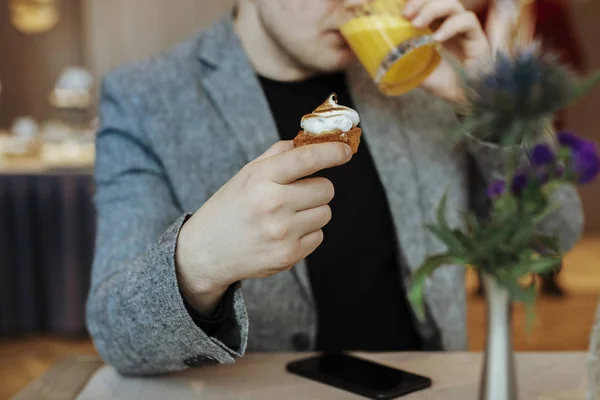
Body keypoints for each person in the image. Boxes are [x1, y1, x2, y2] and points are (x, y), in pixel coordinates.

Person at [86, 0, 583, 375]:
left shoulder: (422, 76)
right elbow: (116, 333)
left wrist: (494, 106)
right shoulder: (146, 98)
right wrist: (197, 262)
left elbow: (553, 236)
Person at [466, 0, 586, 297]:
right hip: (487, 113)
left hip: (539, 117)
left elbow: (573, 58)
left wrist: (542, 81)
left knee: (544, 188)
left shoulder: (549, 9)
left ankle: (550, 272)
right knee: (488, 188)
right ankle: (486, 273)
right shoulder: (478, 12)